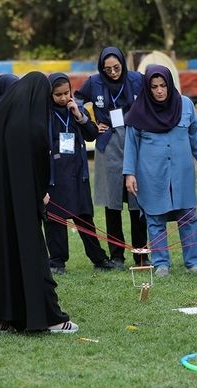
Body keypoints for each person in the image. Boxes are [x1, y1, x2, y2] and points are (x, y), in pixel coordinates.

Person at [0, 72, 77, 334]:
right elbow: (38, 171)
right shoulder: (33, 126)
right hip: (20, 205)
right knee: (29, 258)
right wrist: (39, 196)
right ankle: (50, 318)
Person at [123, 65, 197, 277]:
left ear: (169, 84)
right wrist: (129, 173)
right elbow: (131, 145)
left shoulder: (186, 105)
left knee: (188, 216)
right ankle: (161, 263)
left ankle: (193, 263)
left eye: (163, 85)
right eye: (154, 86)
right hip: (151, 174)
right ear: (148, 88)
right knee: (155, 219)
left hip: (181, 174)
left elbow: (196, 136)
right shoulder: (139, 111)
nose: (159, 91)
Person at [74, 47, 148, 269]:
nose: (113, 72)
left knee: (138, 202)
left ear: (124, 64)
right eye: (108, 69)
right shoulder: (94, 82)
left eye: (117, 68)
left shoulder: (137, 80)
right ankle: (117, 255)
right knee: (112, 202)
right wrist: (90, 122)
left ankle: (141, 254)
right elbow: (76, 100)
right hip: (108, 143)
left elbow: (155, 97)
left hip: (136, 141)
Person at [44, 72, 114, 274]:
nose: (64, 98)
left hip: (77, 173)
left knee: (84, 218)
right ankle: (57, 262)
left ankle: (98, 259)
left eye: (67, 93)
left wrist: (79, 115)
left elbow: (91, 134)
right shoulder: (44, 113)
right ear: (50, 95)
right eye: (59, 95)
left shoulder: (76, 110)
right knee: (55, 220)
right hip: (55, 176)